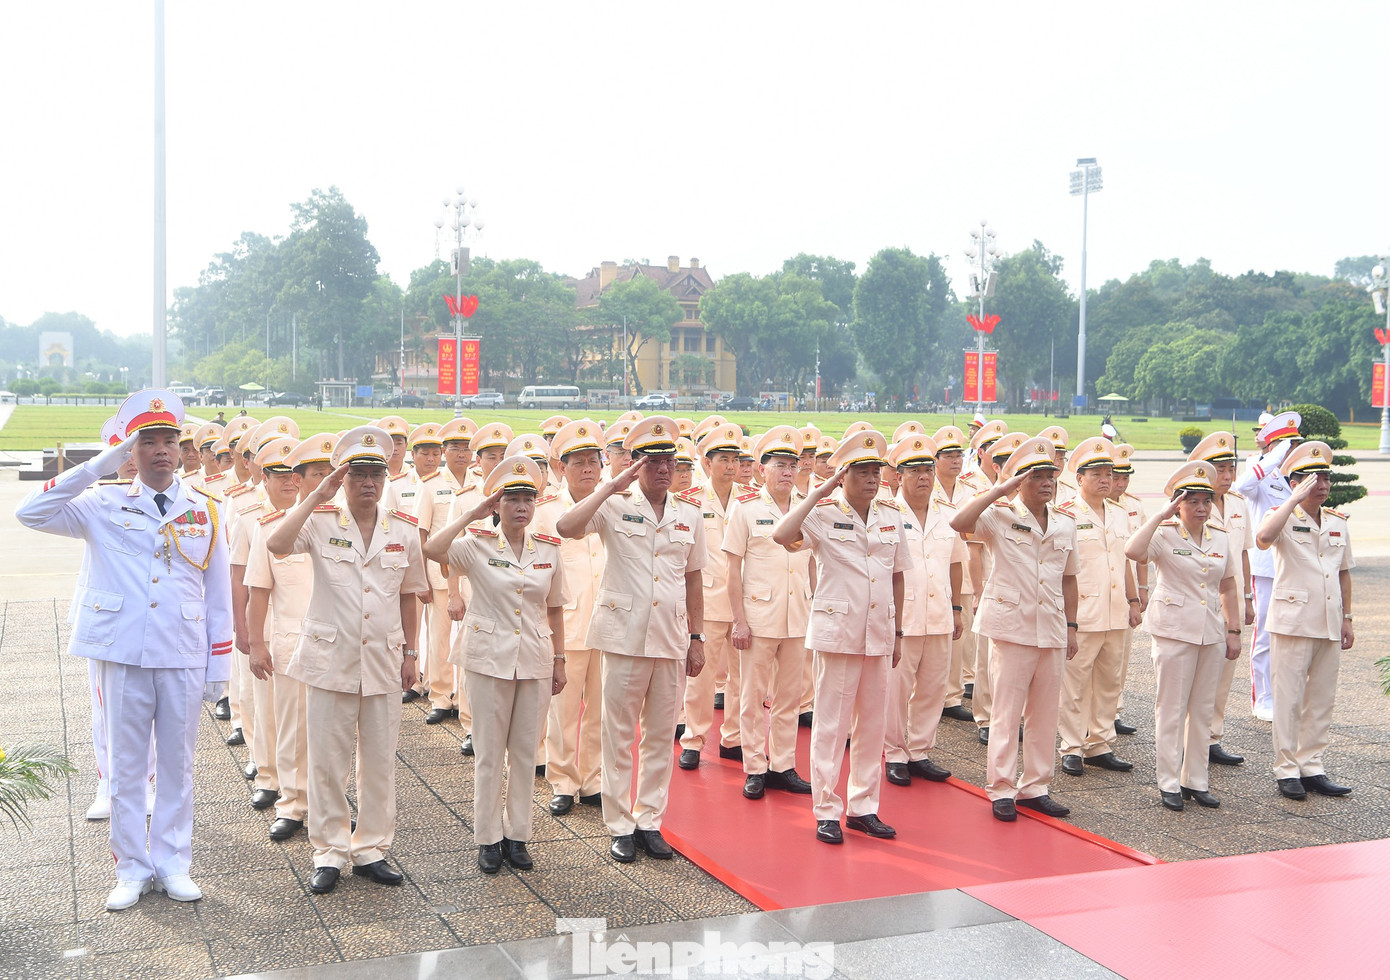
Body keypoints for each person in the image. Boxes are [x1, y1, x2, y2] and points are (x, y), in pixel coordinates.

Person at [16, 389, 232, 910]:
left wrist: (218, 663)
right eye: (146, 442)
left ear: (182, 450)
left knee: (178, 767)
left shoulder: (204, 510)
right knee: (128, 768)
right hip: (123, 652)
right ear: (128, 452)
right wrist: (97, 466)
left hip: (180, 651)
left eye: (168, 441)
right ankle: (131, 867)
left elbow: (219, 593)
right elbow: (30, 511)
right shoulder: (100, 503)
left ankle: (174, 863)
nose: (160, 450)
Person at [264, 425, 427, 895]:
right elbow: (277, 544)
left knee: (378, 761)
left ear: (386, 476)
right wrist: (317, 494)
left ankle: (372, 848)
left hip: (383, 658)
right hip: (329, 657)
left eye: (375, 473)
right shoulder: (319, 520)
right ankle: (330, 851)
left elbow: (410, 596)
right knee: (328, 762)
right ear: (344, 476)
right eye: (357, 473)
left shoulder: (404, 529)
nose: (367, 483)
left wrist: (412, 653)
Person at [555, 415, 707, 864]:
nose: (663, 469)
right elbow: (567, 527)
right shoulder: (614, 505)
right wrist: (608, 486)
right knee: (618, 734)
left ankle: (650, 821)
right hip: (623, 636)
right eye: (652, 461)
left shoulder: (688, 514)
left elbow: (694, 579)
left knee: (661, 735)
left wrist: (697, 637)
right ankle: (619, 824)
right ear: (634, 464)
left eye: (669, 461)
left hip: (670, 637)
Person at [425, 455, 567, 872]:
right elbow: (434, 549)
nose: (521, 507)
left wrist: (560, 660)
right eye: (511, 499)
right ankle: (488, 837)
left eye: (528, 499)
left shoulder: (548, 550)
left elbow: (555, 608)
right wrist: (472, 512)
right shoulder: (476, 546)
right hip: (488, 660)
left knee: (525, 752)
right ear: (497, 504)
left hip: (536, 660)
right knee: (489, 754)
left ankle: (517, 835)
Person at [773, 429, 906, 845]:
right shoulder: (823, 511)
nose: (871, 479)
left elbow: (897, 575)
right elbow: (782, 535)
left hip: (879, 632)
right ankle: (826, 808)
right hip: (838, 633)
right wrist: (817, 491)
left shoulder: (890, 514)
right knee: (830, 726)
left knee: (872, 724)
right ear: (844, 475)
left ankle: (864, 807)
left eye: (875, 472)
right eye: (861, 471)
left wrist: (898, 630)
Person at [949, 436, 1078, 823]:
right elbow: (959, 522)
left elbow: (1069, 579)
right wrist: (1000, 488)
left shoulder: (1066, 521)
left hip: (1052, 626)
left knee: (1044, 713)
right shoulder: (1000, 514)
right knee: (1006, 712)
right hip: (1012, 626)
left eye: (1050, 475)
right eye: (1036, 475)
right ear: (1019, 480)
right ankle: (1002, 787)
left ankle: (1036, 785)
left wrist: (1072, 626)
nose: (1046, 482)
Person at [1125, 462, 1242, 811]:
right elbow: (1133, 551)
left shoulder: (1219, 536)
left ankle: (1196, 780)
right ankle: (1169, 782)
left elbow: (1228, 584)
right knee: (1172, 709)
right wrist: (1161, 516)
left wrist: (1233, 629)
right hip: (1174, 632)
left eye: (1206, 501)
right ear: (1179, 504)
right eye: (1193, 501)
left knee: (1203, 709)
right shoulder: (1163, 533)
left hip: (1211, 632)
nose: (1202, 508)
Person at [244, 433, 338, 842]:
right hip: (290, 641)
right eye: (316, 474)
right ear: (301, 481)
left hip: (338, 644)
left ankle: (328, 807)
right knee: (292, 729)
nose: (323, 481)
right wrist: (256, 643)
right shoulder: (273, 529)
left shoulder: (345, 527)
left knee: (334, 733)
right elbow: (257, 592)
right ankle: (292, 805)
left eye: (329, 473)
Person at [1254, 441, 1356, 801]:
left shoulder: (1336, 521)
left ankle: (1312, 766)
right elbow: (1264, 538)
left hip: (1328, 621)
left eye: (1326, 478)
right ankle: (1286, 769)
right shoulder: (1281, 515)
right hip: (1293, 622)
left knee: (1321, 698)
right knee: (1289, 698)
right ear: (1296, 483)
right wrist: (1292, 501)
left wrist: (1347, 618)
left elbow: (1343, 574)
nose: (1323, 485)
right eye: (1315, 478)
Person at [724, 425, 813, 799]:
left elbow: (811, 565)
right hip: (759, 618)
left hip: (798, 616)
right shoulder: (745, 509)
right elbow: (732, 569)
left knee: (789, 697)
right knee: (751, 696)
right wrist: (739, 620)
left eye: (792, 464)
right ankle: (755, 767)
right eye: (779, 464)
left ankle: (783, 765)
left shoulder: (809, 508)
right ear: (763, 469)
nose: (787, 472)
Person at [535, 420, 608, 816]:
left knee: (601, 710)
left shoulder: (617, 503)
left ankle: (593, 779)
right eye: (577, 462)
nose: (587, 469)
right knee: (562, 711)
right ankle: (562, 780)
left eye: (593, 462)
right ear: (561, 468)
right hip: (567, 625)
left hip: (610, 624)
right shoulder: (546, 514)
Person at [1054, 438, 1139, 778]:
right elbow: (1060, 569)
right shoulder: (1066, 515)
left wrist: (1134, 601)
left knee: (1108, 682)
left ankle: (1099, 743)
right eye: (1098, 474)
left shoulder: (1119, 513)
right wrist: (1066, 618)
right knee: (1075, 684)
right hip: (1083, 613)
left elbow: (1126, 562)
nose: (1106, 480)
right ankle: (1072, 747)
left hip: (1115, 609)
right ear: (1080, 478)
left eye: (1109, 473)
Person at [883, 434, 964, 788]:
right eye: (914, 470)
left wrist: (957, 607)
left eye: (928, 469)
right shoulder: (886, 513)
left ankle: (920, 751)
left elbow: (957, 562)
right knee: (897, 691)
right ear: (898, 475)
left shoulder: (948, 514)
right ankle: (894, 752)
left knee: (933, 688)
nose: (924, 477)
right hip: (903, 617)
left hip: (940, 614)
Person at [677, 422, 745, 770]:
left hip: (744, 605)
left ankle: (733, 737)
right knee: (701, 679)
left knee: (741, 677)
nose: (731, 466)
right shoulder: (689, 501)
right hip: (705, 603)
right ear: (707, 463)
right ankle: (693, 738)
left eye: (735, 459)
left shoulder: (750, 499)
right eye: (723, 459)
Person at [1187, 432, 1257, 767]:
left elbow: (1243, 555)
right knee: (1194, 676)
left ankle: (1212, 736)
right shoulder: (1188, 506)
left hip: (1229, 602)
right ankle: (1190, 739)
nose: (1228, 477)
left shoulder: (1240, 505)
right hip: (1199, 599)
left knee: (1224, 672)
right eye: (1221, 471)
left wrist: (1247, 598)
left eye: (1231, 470)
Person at [1234, 411, 1303, 722]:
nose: (1291, 451)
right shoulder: (1259, 472)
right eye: (1287, 446)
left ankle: (1284, 693)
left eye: (1293, 445)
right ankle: (1262, 697)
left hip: (1294, 566)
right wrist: (1274, 457)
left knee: (1291, 635)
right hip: (1265, 568)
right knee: (1264, 635)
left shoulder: (1299, 477)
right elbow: (1242, 487)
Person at [930, 425, 982, 722]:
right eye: (948, 455)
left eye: (959, 455)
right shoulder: (925, 486)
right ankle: (928, 695)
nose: (955, 461)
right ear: (936, 459)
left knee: (957, 635)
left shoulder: (970, 491)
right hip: (933, 569)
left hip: (961, 567)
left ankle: (951, 696)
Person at [1107, 443, 1147, 736]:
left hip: (1125, 587)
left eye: (1125, 478)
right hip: (1093, 592)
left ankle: (1112, 711)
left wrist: (1142, 590)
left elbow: (1141, 555)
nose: (1120, 484)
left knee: (1119, 656)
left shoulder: (1134, 506)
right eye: (1115, 477)